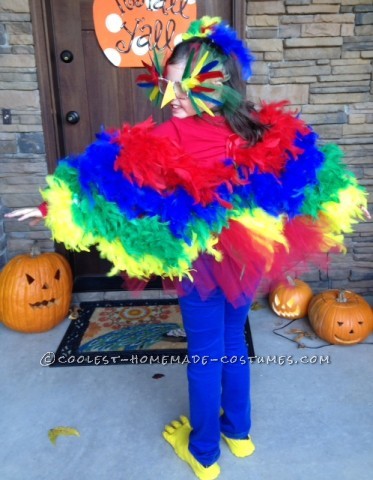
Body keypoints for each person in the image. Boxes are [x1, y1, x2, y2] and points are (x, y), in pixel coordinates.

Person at [5, 16, 369, 480]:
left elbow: (103, 178)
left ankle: (204, 453)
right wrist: (345, 199)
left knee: (205, 352)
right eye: (167, 87)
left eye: (183, 90)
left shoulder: (170, 135)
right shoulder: (257, 129)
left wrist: (49, 207)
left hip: (199, 263)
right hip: (247, 258)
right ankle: (239, 433)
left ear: (214, 88)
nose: (171, 99)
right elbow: (310, 169)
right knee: (234, 341)